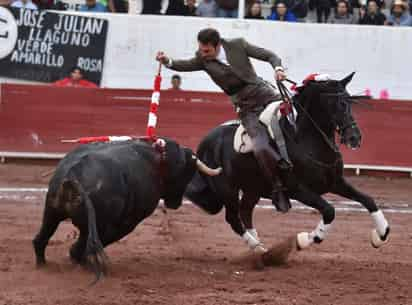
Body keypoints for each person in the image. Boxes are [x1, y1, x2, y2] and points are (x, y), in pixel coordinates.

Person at [156, 28, 292, 212]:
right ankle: (278, 188)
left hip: (265, 94)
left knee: (294, 118)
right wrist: (167, 61)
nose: (203, 54)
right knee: (260, 144)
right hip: (246, 107)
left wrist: (278, 69)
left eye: (207, 51)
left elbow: (269, 56)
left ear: (218, 45)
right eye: (201, 50)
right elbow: (183, 65)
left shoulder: (237, 45)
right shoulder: (202, 60)